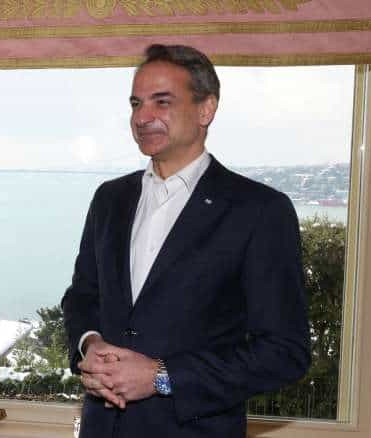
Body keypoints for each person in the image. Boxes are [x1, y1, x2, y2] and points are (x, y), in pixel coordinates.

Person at [61, 44, 310, 437]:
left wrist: (163, 377)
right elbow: (82, 296)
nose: (142, 117)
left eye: (162, 102)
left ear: (206, 109)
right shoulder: (110, 199)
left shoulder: (259, 210)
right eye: (136, 103)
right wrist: (89, 344)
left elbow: (284, 352)